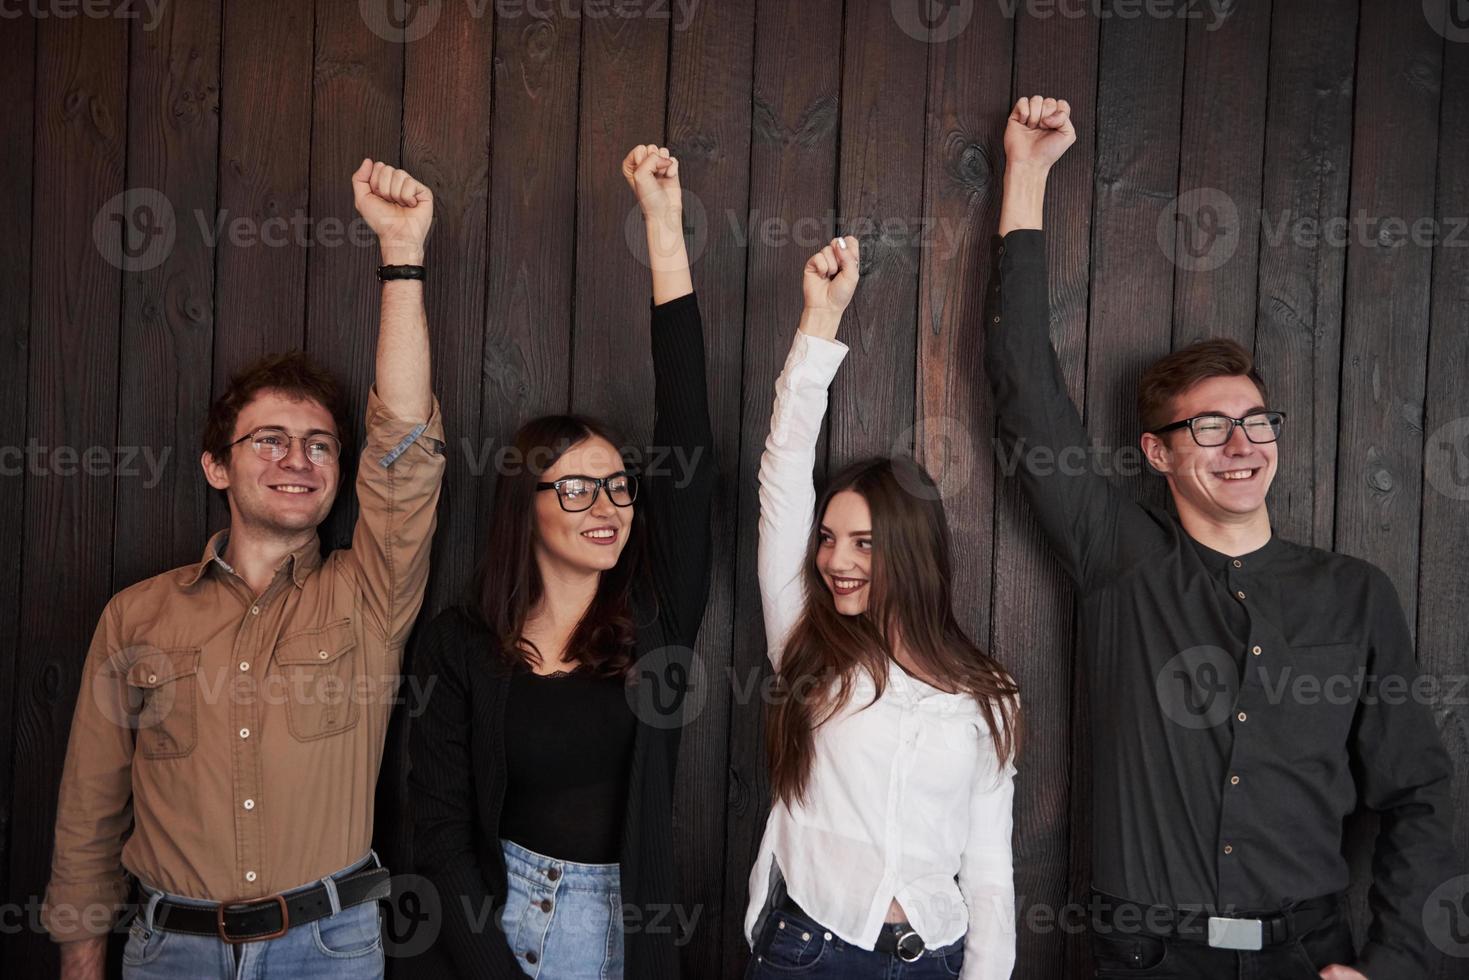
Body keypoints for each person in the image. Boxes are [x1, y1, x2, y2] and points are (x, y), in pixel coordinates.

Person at [988, 95, 1454, 980]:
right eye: (1207, 429)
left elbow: (1418, 794)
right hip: (1141, 961)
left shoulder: (1355, 595)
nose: (1241, 445)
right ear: (1156, 454)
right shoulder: (1118, 560)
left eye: (1254, 421)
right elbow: (1025, 395)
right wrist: (1026, 176)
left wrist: (1396, 966)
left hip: (1310, 961)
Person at [43, 159, 447, 979]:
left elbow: (403, 450)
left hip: (327, 951)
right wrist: (81, 957)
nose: (297, 459)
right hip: (170, 951)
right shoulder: (137, 616)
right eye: (269, 440)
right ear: (216, 467)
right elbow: (91, 803)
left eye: (320, 443)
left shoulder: (367, 594)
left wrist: (402, 258)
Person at [407, 143, 716, 980]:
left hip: (618, 932)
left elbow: (687, 422)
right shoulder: (459, 645)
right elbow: (436, 831)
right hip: (497, 927)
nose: (607, 506)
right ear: (526, 508)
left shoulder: (658, 618)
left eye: (617, 487)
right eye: (575, 490)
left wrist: (661, 226)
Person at [742, 235, 1021, 979]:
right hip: (809, 950)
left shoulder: (985, 694)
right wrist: (818, 324)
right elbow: (782, 473)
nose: (835, 560)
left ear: (911, 552)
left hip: (931, 956)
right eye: (829, 539)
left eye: (863, 544)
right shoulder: (805, 641)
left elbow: (989, 866)